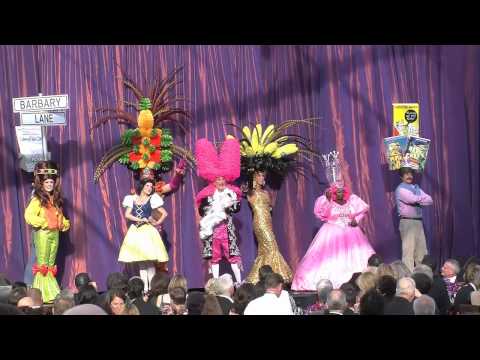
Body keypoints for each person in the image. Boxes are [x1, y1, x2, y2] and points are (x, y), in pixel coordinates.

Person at [292, 183, 375, 290]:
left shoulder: (351, 201)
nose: (340, 193)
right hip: (331, 233)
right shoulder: (328, 202)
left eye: (342, 191)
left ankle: (360, 281)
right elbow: (321, 214)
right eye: (337, 191)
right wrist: (327, 200)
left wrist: (356, 220)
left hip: (351, 233)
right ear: (334, 192)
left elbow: (363, 210)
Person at [195, 137, 243, 284]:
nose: (221, 182)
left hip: (226, 230)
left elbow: (237, 208)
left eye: (223, 180)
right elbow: (202, 211)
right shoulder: (207, 196)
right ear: (214, 181)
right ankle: (215, 283)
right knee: (214, 258)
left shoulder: (231, 194)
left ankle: (239, 282)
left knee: (232, 256)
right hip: (213, 232)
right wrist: (210, 208)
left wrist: (229, 205)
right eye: (218, 180)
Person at [24, 161, 70, 303]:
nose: (49, 184)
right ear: (42, 183)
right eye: (47, 182)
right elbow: (29, 215)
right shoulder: (38, 199)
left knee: (50, 265)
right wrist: (44, 223)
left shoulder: (55, 200)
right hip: (43, 234)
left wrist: (63, 223)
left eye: (51, 182)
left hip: (54, 235)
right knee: (42, 264)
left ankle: (49, 291)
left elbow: (59, 217)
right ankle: (40, 292)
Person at [119, 178, 169, 292]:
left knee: (149, 261)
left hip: (147, 232)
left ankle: (151, 288)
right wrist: (140, 219)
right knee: (141, 262)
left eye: (151, 187)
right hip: (136, 231)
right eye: (147, 186)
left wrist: (156, 222)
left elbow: (165, 214)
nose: (149, 188)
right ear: (142, 186)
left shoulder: (152, 199)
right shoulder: (132, 198)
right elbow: (127, 214)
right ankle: (145, 289)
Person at [243, 171, 293, 284]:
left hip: (268, 221)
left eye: (263, 176)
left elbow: (269, 207)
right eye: (259, 176)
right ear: (254, 178)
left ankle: (260, 277)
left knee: (264, 250)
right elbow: (245, 192)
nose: (261, 178)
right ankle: (278, 275)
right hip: (260, 222)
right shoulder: (251, 192)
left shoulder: (265, 192)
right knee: (272, 246)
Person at [395, 167, 433, 272]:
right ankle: (409, 278)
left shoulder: (416, 188)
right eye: (406, 174)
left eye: (410, 173)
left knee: (422, 251)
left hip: (418, 222)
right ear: (401, 177)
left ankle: (424, 275)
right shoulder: (401, 189)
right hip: (407, 222)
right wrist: (421, 198)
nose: (409, 176)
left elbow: (430, 200)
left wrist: (418, 198)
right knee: (409, 252)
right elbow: (412, 199)